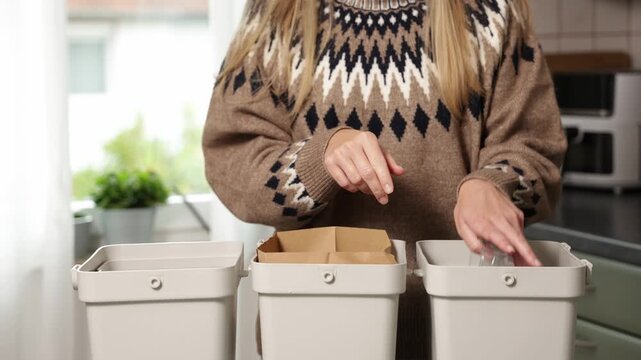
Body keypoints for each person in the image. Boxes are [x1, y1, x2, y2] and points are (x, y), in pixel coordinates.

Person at [203, 0, 567, 357]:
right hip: (313, 331)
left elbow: (535, 147)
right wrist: (318, 161)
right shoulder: (277, 11)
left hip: (464, 331)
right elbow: (232, 158)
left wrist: (493, 184)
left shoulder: (493, 11)